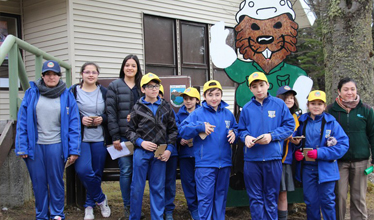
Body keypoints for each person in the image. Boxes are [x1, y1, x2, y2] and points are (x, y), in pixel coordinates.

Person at [15, 60, 81, 220]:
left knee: (56, 181)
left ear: (59, 76)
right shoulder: (31, 93)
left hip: (56, 146)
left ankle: (57, 214)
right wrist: (22, 146)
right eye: (47, 74)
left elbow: (74, 124)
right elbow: (22, 121)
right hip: (35, 146)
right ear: (42, 76)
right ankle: (42, 215)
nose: (51, 77)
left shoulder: (67, 96)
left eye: (54, 74)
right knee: (38, 183)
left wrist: (74, 149)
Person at [238, 72, 295, 220]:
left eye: (262, 85)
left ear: (268, 85)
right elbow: (240, 130)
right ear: (250, 89)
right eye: (255, 86)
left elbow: (290, 125)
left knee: (271, 198)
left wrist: (272, 136)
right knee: (255, 199)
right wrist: (246, 137)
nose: (259, 90)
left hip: (273, 158)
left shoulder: (279, 104)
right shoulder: (247, 108)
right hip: (252, 160)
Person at [179, 80, 238, 220]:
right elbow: (182, 131)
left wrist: (235, 133)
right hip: (205, 164)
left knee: (220, 199)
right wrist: (200, 127)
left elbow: (236, 128)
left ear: (221, 95)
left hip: (224, 164)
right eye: (210, 95)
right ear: (204, 96)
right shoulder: (197, 113)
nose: (214, 98)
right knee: (205, 200)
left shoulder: (228, 114)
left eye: (217, 94)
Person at [126, 73, 178, 220]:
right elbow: (129, 131)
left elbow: (173, 130)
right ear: (143, 89)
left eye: (156, 86)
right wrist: (140, 142)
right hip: (141, 153)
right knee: (137, 187)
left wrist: (169, 149)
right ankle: (134, 217)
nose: (154, 89)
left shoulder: (166, 106)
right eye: (150, 86)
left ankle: (157, 217)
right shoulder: (137, 108)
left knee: (158, 188)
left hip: (160, 154)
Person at [294, 90, 349, 220]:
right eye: (313, 103)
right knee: (311, 202)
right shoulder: (301, 122)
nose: (316, 106)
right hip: (308, 169)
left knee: (328, 202)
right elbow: (294, 141)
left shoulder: (332, 123)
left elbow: (343, 145)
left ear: (324, 106)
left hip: (327, 168)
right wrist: (297, 151)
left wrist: (320, 153)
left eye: (320, 103)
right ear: (308, 105)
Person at [327, 78, 374, 220]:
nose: (350, 92)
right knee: (339, 196)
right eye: (346, 89)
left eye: (352, 89)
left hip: (361, 160)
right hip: (338, 161)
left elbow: (372, 134)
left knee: (358, 197)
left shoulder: (366, 110)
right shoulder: (330, 110)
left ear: (356, 90)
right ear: (339, 91)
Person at [71, 62, 111, 219]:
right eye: (87, 72)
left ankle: (89, 205)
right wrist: (81, 119)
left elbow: (110, 113)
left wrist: (103, 118)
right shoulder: (73, 92)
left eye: (94, 72)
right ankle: (101, 199)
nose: (90, 75)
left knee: (96, 173)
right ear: (82, 74)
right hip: (81, 138)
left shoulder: (104, 92)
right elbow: (68, 113)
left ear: (97, 75)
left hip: (99, 138)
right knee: (83, 170)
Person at [106, 54, 142, 219]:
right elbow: (111, 113)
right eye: (127, 65)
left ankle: (137, 207)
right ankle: (128, 207)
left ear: (137, 68)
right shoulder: (115, 86)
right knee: (126, 171)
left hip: (142, 139)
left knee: (139, 172)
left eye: (133, 65)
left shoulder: (143, 85)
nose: (130, 68)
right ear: (123, 67)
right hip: (122, 138)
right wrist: (115, 136)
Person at [276, 85, 301, 220]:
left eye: (291, 97)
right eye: (286, 97)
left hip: (287, 160)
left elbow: (299, 136)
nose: (289, 100)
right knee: (270, 193)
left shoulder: (296, 117)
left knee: (283, 193)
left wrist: (297, 142)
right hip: (273, 158)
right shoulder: (273, 114)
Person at [176, 87, 201, 220]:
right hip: (185, 154)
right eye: (185, 99)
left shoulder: (203, 113)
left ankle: (202, 206)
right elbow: (175, 131)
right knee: (188, 182)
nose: (188, 101)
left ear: (197, 100)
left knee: (201, 182)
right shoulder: (179, 115)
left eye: (191, 99)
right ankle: (193, 208)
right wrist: (180, 139)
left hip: (200, 154)